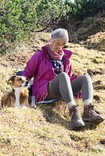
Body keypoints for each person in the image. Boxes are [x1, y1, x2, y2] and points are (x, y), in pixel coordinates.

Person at [22, 28, 104, 130]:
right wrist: (19, 89)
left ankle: (88, 111)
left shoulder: (65, 59)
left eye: (59, 44)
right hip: (43, 91)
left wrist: (75, 79)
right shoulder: (39, 55)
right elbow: (27, 73)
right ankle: (73, 112)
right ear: (50, 39)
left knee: (85, 78)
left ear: (63, 45)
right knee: (63, 75)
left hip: (61, 91)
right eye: (53, 42)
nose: (54, 45)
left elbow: (67, 79)